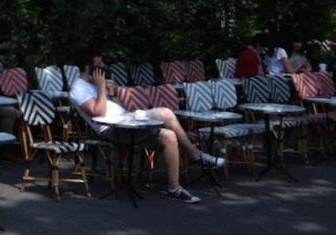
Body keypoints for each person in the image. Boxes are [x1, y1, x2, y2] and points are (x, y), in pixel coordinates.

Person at [70, 50, 225, 204]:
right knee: (166, 113)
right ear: (87, 67)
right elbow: (99, 113)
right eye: (98, 64)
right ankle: (195, 153)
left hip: (127, 121)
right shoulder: (79, 89)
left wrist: (113, 93)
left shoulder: (96, 85)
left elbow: (120, 107)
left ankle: (174, 188)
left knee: (169, 136)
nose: (103, 67)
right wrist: (102, 88)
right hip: (112, 129)